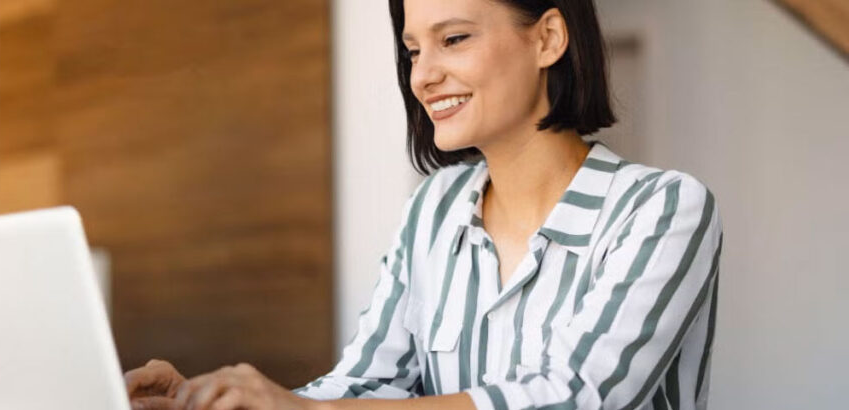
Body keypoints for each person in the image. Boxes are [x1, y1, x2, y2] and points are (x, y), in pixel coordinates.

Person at [124, 0, 723, 408]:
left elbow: (574, 395)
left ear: (547, 38)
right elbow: (367, 382)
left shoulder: (663, 209)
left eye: (453, 39)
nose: (423, 76)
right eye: (413, 50)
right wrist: (214, 398)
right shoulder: (433, 209)